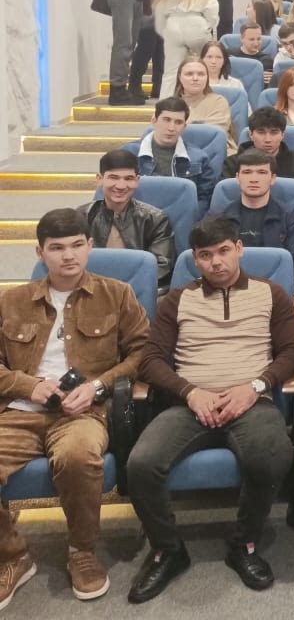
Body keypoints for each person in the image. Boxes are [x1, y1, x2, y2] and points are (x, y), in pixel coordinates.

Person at [126, 218, 294, 603]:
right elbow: (150, 360)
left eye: (223, 251)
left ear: (239, 248)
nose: (216, 262)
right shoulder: (177, 300)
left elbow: (291, 352)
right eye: (205, 255)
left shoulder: (271, 294)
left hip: (251, 402)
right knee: (141, 464)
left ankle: (244, 544)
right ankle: (168, 550)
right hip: (191, 405)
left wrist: (254, 387)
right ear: (195, 259)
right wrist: (190, 393)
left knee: (270, 455)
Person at [0, 209, 150, 606]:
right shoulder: (11, 301)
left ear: (90, 246)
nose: (68, 255)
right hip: (19, 412)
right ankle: (12, 555)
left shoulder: (117, 294)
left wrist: (99, 385)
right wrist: (29, 385)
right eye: (57, 248)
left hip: (82, 412)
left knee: (78, 456)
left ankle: (82, 551)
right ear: (40, 252)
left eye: (77, 245)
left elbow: (143, 352)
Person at [209, 150, 294, 321]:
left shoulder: (291, 217)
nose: (254, 179)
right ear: (237, 177)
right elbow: (207, 260)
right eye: (247, 172)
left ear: (273, 178)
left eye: (262, 172)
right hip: (226, 295)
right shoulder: (217, 218)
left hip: (276, 297)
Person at [77, 150, 176, 288]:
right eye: (113, 178)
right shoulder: (82, 216)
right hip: (92, 288)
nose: (121, 186)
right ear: (99, 179)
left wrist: (123, 290)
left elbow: (161, 267)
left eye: (128, 179)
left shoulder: (155, 219)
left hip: (136, 289)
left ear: (137, 180)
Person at [223, 107, 294, 216]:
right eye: (261, 132)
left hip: (288, 219)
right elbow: (225, 196)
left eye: (274, 133)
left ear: (282, 135)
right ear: (251, 135)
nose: (268, 139)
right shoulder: (232, 163)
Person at [123, 97, 217, 213]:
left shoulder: (199, 158)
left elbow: (206, 200)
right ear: (154, 121)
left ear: (184, 127)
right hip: (136, 216)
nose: (171, 128)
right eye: (166, 120)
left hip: (182, 216)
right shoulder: (128, 153)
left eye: (178, 122)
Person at [151, 0, 220, 100]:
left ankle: (165, 104)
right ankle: (204, 102)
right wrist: (208, 27)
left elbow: (159, 12)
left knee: (171, 72)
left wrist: (164, 32)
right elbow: (212, 10)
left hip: (173, 24)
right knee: (203, 68)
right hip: (196, 22)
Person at [171, 58, 236, 155]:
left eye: (201, 74)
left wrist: (182, 128)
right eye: (189, 74)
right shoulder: (170, 105)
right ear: (180, 78)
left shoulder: (219, 101)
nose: (195, 78)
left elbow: (213, 133)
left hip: (217, 153)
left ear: (207, 78)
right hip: (178, 153)